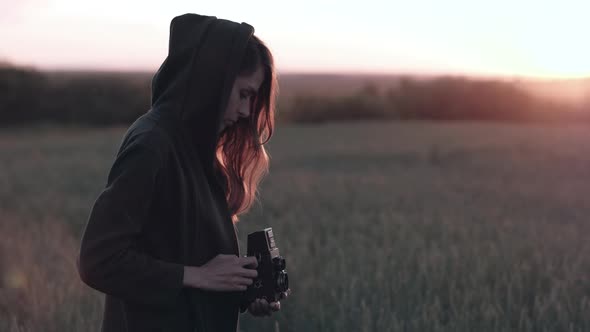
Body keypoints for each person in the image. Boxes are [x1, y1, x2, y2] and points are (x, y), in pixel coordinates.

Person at [76, 13, 289, 332]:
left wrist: (241, 291)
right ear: (213, 79)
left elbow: (176, 253)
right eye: (243, 94)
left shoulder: (194, 146)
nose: (246, 111)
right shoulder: (153, 145)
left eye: (252, 99)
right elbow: (99, 260)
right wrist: (199, 275)